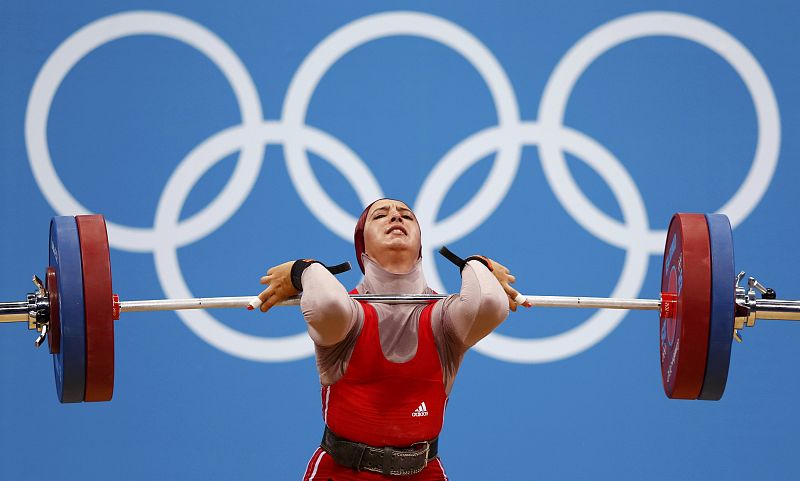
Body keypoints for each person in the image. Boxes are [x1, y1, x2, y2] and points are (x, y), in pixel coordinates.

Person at [256, 198, 529, 480]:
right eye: (381, 215)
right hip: (340, 472)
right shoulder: (350, 313)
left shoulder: (444, 317)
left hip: (424, 472)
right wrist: (305, 270)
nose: (396, 218)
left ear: (421, 243)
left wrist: (475, 263)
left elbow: (489, 304)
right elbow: (326, 305)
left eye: (407, 216)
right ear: (361, 245)